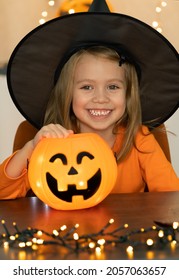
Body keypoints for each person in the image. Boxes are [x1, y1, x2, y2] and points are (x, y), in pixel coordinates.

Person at [0, 0, 179, 199]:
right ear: (68, 92)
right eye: (87, 87)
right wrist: (31, 148)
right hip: (64, 229)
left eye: (113, 87)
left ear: (129, 94)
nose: (100, 98)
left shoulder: (139, 139)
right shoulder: (52, 141)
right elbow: (4, 193)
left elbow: (171, 196)